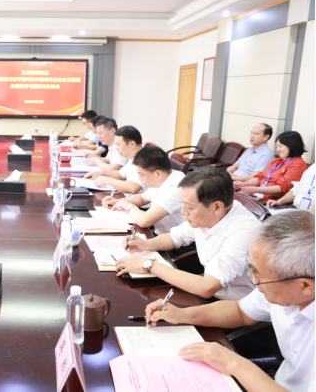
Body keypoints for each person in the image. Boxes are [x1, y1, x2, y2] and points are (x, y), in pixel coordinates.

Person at [144, 211, 314, 392]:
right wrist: (181, 314)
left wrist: (234, 363)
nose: (254, 281)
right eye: (252, 269)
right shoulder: (285, 288)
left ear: (305, 286)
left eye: (260, 276)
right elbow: (240, 311)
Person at [117, 169, 259, 300]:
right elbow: (175, 237)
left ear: (217, 207)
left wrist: (149, 265)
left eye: (189, 206)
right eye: (182, 204)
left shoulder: (243, 233)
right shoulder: (211, 213)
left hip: (231, 304)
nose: (183, 211)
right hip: (208, 288)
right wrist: (146, 244)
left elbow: (207, 287)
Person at [104, 145, 185, 235]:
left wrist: (127, 206)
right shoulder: (163, 177)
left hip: (174, 241)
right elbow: (142, 198)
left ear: (158, 173)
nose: (140, 179)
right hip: (161, 235)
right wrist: (118, 201)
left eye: (141, 175)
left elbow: (143, 221)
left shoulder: (175, 188)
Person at [234, 131, 308, 202]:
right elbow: (261, 177)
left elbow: (282, 188)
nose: (278, 149)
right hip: (258, 195)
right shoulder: (276, 161)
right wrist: (244, 184)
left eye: (280, 146)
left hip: (273, 201)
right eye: (277, 146)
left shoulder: (298, 164)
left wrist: (256, 189)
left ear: (292, 146)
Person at [83, 125, 147, 198]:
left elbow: (134, 188)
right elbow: (121, 175)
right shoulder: (134, 156)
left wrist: (107, 180)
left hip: (137, 202)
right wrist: (100, 173)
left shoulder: (144, 158)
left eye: (118, 145)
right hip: (128, 198)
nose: (116, 149)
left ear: (132, 144)